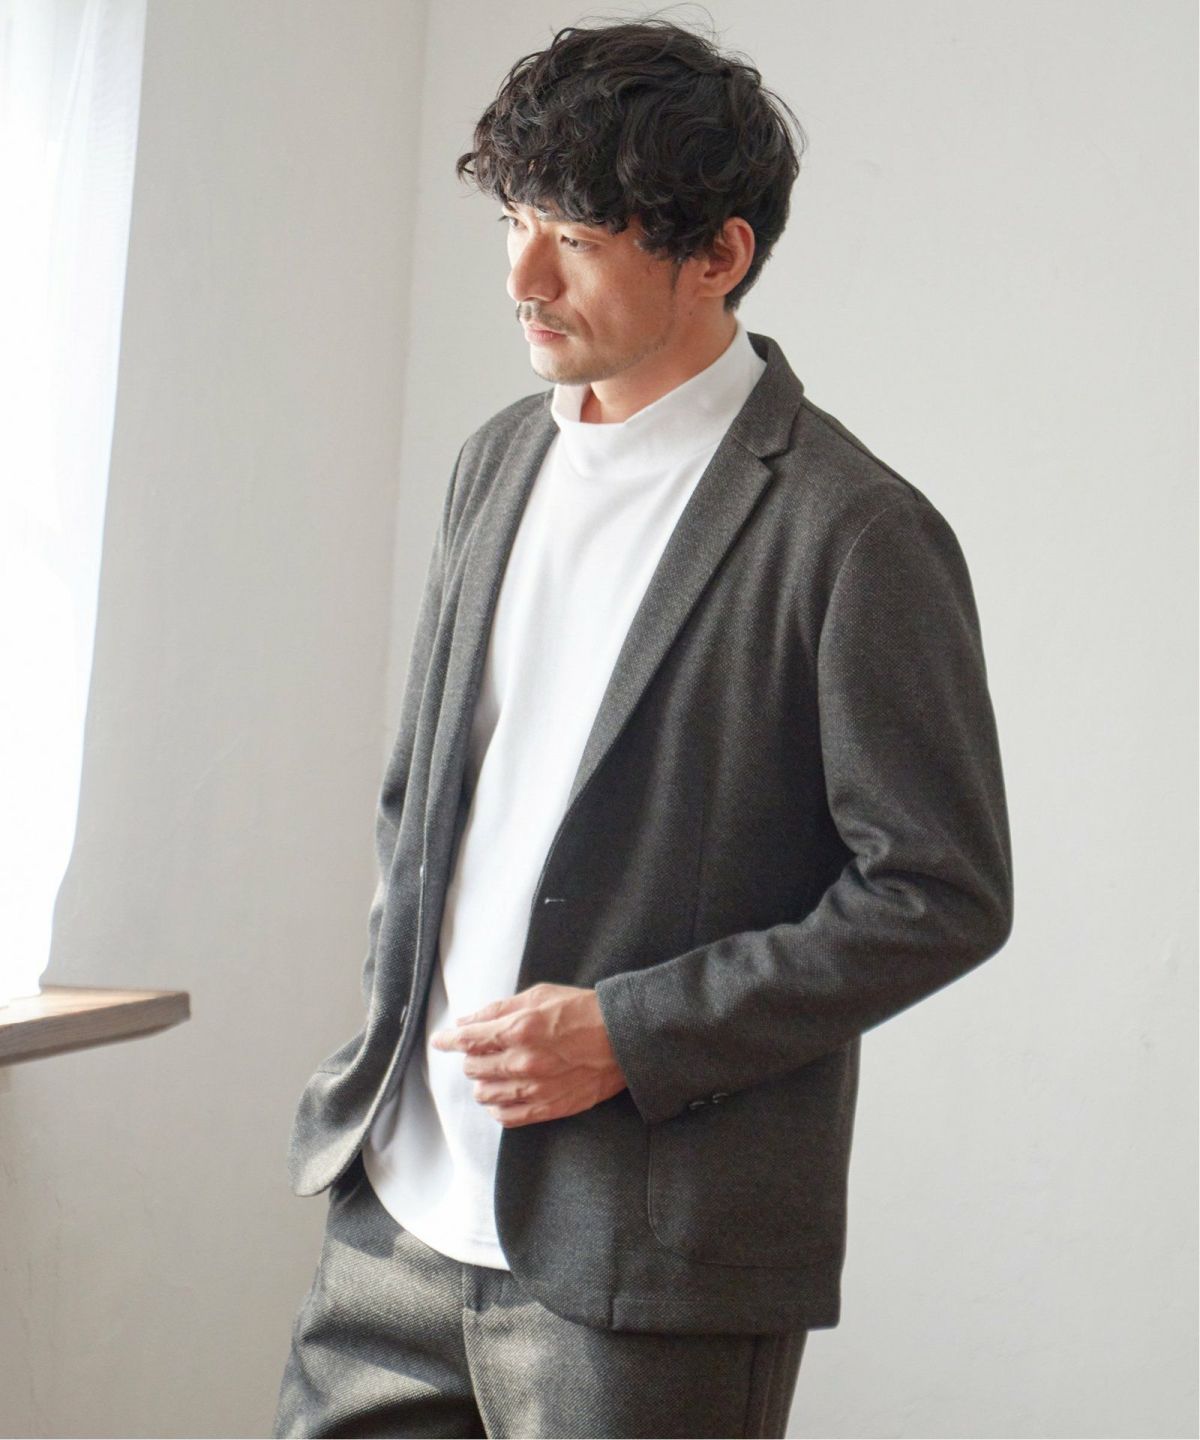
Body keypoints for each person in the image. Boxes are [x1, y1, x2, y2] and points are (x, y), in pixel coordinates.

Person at [273, 17, 1013, 1439]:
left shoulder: (851, 531)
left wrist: (631, 1032)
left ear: (719, 254)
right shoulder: (497, 460)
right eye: (514, 221)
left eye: (576, 238)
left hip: (644, 1265)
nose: (524, 277)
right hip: (394, 1220)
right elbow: (424, 801)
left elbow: (941, 893)